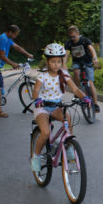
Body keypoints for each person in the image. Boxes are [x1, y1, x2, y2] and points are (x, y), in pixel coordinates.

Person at [30, 43, 90, 172]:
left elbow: (75, 89)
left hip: (57, 106)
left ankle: (69, 147)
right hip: (43, 107)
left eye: (59, 61)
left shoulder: (64, 74)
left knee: (67, 119)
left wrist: (84, 98)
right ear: (47, 62)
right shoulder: (43, 75)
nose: (56, 64)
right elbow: (35, 91)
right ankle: (36, 156)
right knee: (45, 133)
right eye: (53, 61)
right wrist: (38, 99)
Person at [0, 24, 34, 118]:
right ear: (10, 32)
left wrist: (27, 54)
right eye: (15, 34)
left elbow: (17, 47)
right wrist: (13, 64)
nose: (15, 36)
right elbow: (1, 56)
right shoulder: (3, 38)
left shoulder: (7, 38)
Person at [63, 25, 100, 113]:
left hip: (87, 62)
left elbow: (92, 49)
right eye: (70, 37)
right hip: (77, 63)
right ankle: (78, 89)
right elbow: (66, 54)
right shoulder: (69, 43)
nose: (72, 38)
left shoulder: (84, 40)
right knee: (76, 72)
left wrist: (95, 58)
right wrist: (64, 64)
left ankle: (95, 103)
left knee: (90, 83)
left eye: (74, 36)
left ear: (78, 34)